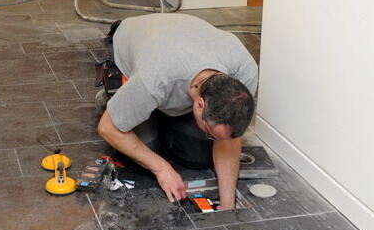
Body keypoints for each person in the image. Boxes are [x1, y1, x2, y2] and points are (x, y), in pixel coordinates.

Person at [97, 13, 257, 209]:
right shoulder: (156, 77)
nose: (210, 136)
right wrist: (162, 169)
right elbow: (107, 128)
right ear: (199, 105)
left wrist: (227, 205)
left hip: (176, 54)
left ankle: (156, 107)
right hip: (132, 41)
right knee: (144, 151)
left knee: (197, 157)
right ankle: (114, 99)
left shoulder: (243, 73)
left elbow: (228, 140)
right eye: (209, 131)